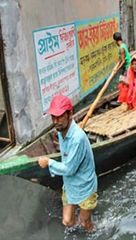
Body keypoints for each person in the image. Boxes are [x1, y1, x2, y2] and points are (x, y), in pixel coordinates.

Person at [37, 95, 98, 232]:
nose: (55, 121)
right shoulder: (61, 129)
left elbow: (69, 169)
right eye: (53, 117)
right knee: (67, 221)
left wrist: (49, 162)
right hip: (71, 184)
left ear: (70, 114)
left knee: (85, 224)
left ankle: (93, 229)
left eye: (59, 117)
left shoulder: (77, 138)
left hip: (85, 185)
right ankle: (83, 216)